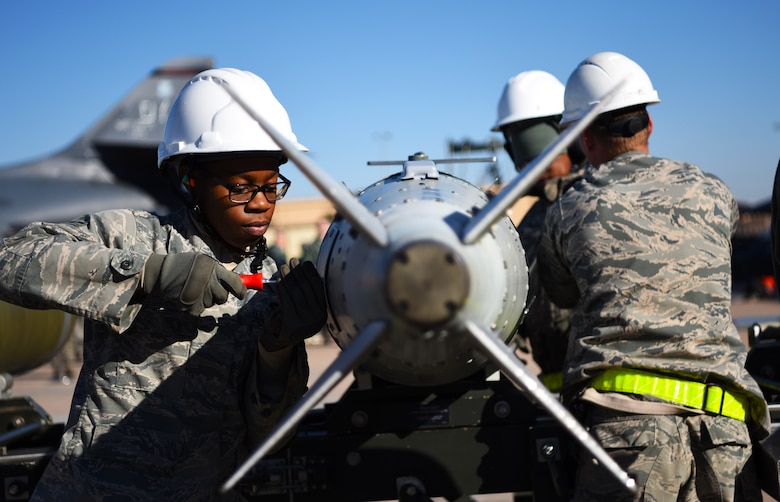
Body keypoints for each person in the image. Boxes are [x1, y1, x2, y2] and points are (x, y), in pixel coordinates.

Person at [0, 68, 327, 501]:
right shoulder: (132, 237)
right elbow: (10, 259)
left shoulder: (269, 293)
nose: (262, 204)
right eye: (241, 188)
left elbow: (270, 437)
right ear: (190, 180)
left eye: (272, 187)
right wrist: (147, 274)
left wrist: (278, 352)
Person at [537, 52, 770, 501]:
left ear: (585, 141)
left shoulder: (568, 209)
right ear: (650, 125)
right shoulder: (714, 192)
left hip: (626, 438)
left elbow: (559, 297)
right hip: (725, 432)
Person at [491, 70, 583, 390]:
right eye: (529, 164)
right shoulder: (528, 226)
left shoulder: (601, 204)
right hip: (558, 398)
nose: (539, 173)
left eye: (547, 160)